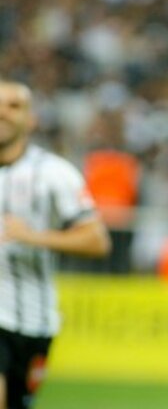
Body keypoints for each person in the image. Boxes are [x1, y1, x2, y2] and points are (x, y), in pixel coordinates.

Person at [0, 80, 111, 409]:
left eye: (13, 106)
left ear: (31, 119)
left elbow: (96, 240)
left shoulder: (53, 173)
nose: (2, 113)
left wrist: (31, 236)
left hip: (32, 321)